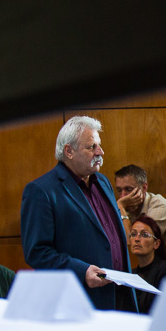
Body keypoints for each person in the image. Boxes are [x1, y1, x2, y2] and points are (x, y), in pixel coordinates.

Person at [20, 116, 135, 311]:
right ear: (69, 151)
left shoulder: (103, 182)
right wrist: (81, 271)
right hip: (83, 300)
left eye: (99, 145)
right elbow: (37, 253)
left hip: (121, 294)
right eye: (91, 147)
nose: (100, 152)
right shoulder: (41, 190)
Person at [114, 164, 166, 244]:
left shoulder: (161, 206)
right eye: (119, 190)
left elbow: (136, 244)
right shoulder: (125, 206)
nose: (123, 196)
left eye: (129, 189)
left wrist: (120, 207)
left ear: (144, 188)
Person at [129, 214, 166, 314]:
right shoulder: (131, 274)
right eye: (133, 234)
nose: (136, 239)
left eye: (144, 235)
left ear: (156, 244)